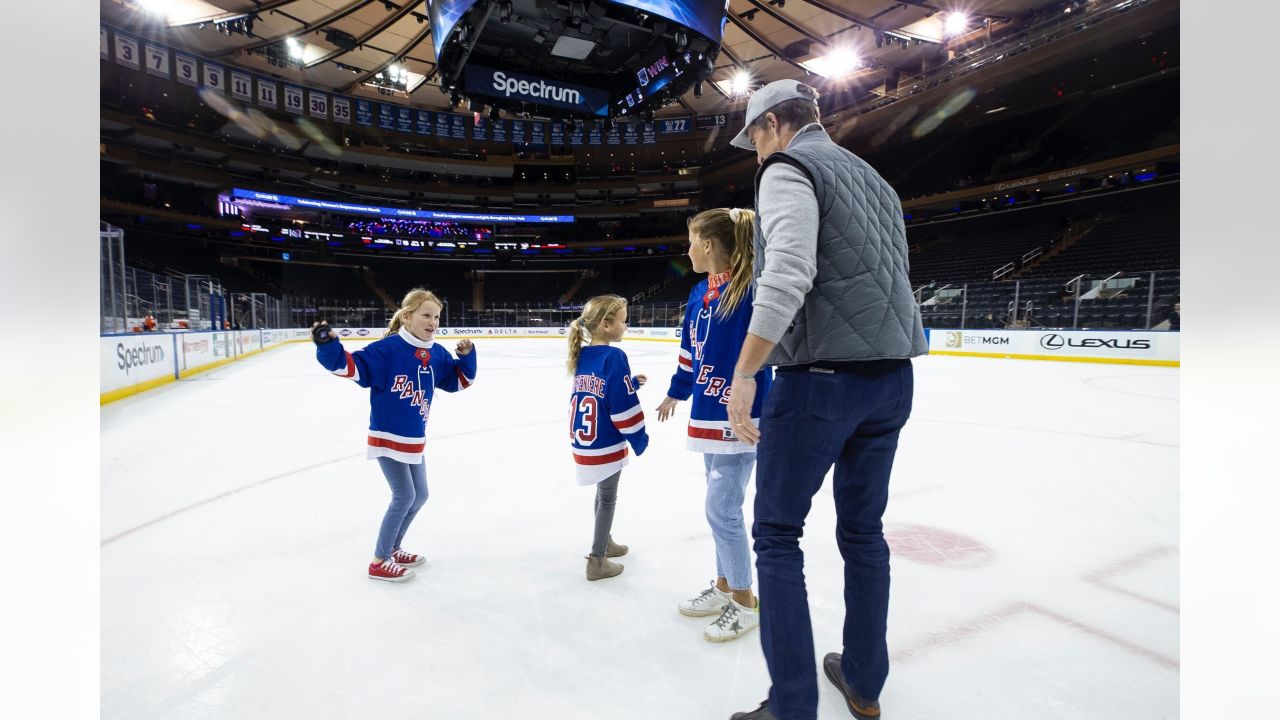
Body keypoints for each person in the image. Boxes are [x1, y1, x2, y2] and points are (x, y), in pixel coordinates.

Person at [723, 80, 928, 720]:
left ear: (776, 125)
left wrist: (745, 372)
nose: (755, 154)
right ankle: (864, 681)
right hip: (892, 378)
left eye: (754, 138)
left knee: (777, 535)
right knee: (863, 532)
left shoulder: (789, 167)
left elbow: (787, 270)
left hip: (822, 381)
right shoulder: (874, 178)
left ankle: (791, 707)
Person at [656, 207, 773, 642]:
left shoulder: (751, 292)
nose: (687, 250)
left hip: (741, 418)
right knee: (719, 508)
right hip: (705, 414)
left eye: (690, 242)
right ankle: (725, 587)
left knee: (722, 509)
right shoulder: (697, 293)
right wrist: (675, 392)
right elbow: (690, 354)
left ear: (707, 245)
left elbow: (768, 349)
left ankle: (744, 600)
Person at [313, 288, 476, 582]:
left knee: (420, 495)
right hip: (387, 436)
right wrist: (328, 346)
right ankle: (379, 559)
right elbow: (349, 367)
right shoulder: (386, 350)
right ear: (406, 316)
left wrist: (467, 358)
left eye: (437, 316)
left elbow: (460, 381)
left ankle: (394, 547)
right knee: (404, 496)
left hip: (414, 440)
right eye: (426, 315)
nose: (433, 322)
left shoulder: (436, 354)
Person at [567, 294, 649, 581]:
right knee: (609, 495)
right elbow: (620, 406)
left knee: (602, 493)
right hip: (605, 440)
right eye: (624, 322)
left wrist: (631, 384)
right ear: (606, 324)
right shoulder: (615, 356)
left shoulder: (584, 355)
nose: (626, 326)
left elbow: (602, 394)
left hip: (584, 440)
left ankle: (606, 541)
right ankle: (597, 559)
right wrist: (640, 437)